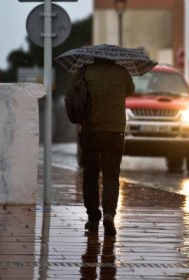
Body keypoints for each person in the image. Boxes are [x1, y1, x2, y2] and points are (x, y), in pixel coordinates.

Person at [78, 58, 135, 236]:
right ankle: (109, 214)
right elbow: (130, 90)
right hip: (115, 132)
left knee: (90, 176)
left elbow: (74, 92)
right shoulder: (122, 72)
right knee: (111, 175)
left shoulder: (85, 71)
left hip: (90, 131)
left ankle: (93, 217)